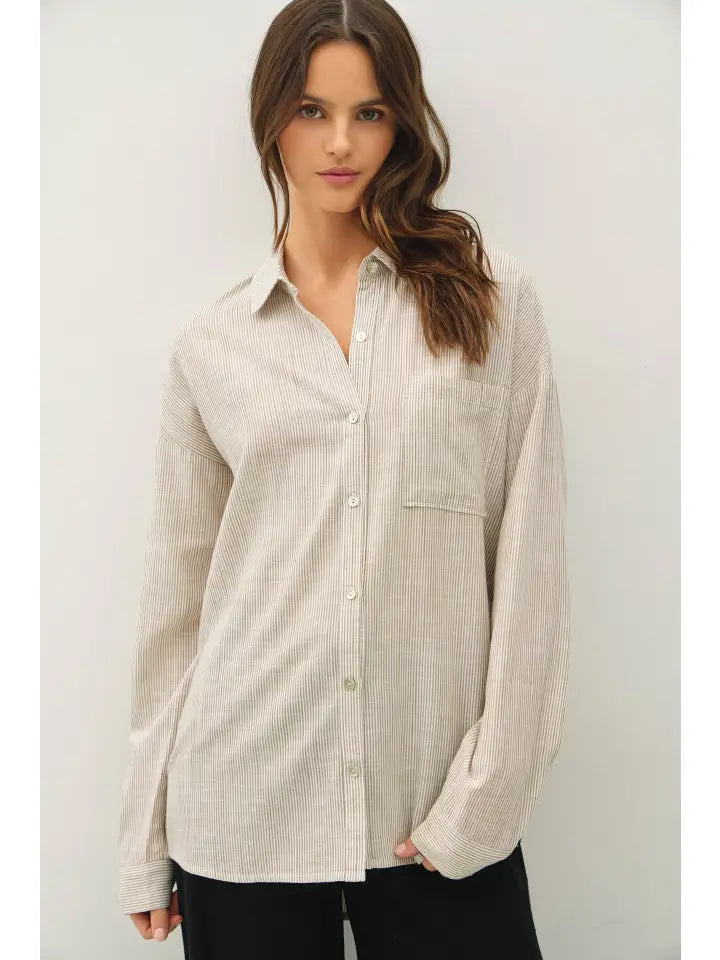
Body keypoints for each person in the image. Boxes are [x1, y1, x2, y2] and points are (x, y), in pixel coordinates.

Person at [117, 1, 571, 957]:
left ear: (401, 122)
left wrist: (485, 799)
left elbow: (532, 565)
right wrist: (145, 837)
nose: (339, 143)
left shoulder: (489, 299)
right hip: (244, 807)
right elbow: (179, 610)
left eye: (369, 113)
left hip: (436, 816)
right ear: (270, 119)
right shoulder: (212, 344)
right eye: (311, 111)